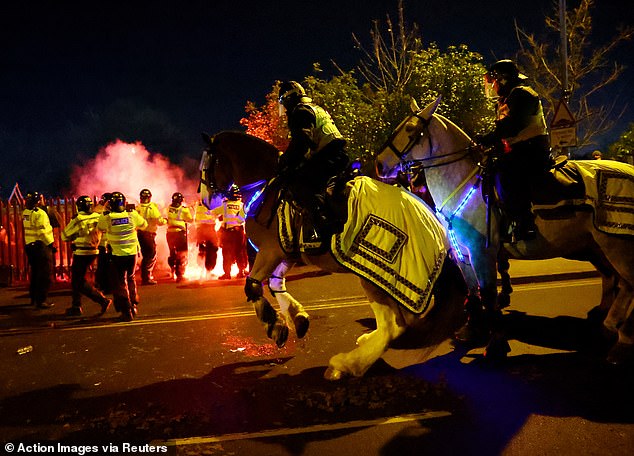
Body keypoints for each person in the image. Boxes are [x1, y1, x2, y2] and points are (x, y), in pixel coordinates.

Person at [477, 59, 551, 242]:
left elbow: (511, 127)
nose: (492, 86)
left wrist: (482, 139)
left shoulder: (523, 95)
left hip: (531, 150)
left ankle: (524, 223)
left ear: (503, 80)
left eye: (493, 81)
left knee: (506, 173)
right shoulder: (507, 98)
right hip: (517, 149)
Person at [277, 80, 350, 239]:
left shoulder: (300, 111)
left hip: (328, 155)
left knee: (299, 182)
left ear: (288, 100)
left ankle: (324, 224)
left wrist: (284, 162)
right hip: (338, 154)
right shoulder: (314, 108)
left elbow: (302, 141)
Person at [97, 192, 147, 321]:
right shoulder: (132, 214)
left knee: (119, 282)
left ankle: (126, 310)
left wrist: (105, 210)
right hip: (132, 254)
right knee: (131, 278)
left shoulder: (107, 217)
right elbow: (144, 225)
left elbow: (100, 227)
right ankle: (133, 304)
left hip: (117, 255)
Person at [61, 196, 111, 316]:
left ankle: (102, 300)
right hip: (94, 251)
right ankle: (76, 306)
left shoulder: (78, 219)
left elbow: (64, 236)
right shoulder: (97, 216)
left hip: (81, 252)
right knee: (76, 280)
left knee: (78, 281)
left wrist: (75, 236)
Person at [22, 191, 55, 309]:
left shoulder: (25, 212)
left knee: (35, 273)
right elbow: (42, 232)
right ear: (37, 201)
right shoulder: (40, 213)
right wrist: (50, 244)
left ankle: (33, 298)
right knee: (44, 274)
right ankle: (41, 300)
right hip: (41, 246)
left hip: (29, 246)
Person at [213, 186, 248, 280]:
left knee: (226, 253)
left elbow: (214, 212)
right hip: (238, 232)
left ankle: (227, 274)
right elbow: (243, 219)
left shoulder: (225, 205)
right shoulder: (242, 205)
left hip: (227, 233)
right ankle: (241, 272)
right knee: (239, 252)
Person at [136, 188, 166, 285]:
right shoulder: (151, 208)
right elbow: (159, 221)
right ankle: (146, 277)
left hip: (139, 234)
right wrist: (165, 220)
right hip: (148, 234)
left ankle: (145, 276)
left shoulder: (137, 208)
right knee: (151, 255)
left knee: (146, 255)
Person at [166, 192, 193, 283]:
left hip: (169, 233)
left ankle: (172, 270)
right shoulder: (184, 210)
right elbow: (190, 220)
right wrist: (191, 210)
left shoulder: (168, 208)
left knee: (172, 253)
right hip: (180, 234)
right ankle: (180, 275)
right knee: (181, 254)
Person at [194, 199, 219, 279]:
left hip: (200, 229)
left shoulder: (199, 204)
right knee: (212, 250)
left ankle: (201, 270)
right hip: (209, 229)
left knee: (202, 250)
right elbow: (219, 215)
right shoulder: (213, 205)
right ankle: (208, 271)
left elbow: (196, 218)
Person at [94, 192, 112, 294]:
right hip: (103, 242)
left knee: (102, 264)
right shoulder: (101, 211)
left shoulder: (98, 210)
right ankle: (104, 286)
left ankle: (100, 283)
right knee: (104, 265)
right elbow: (102, 227)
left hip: (102, 242)